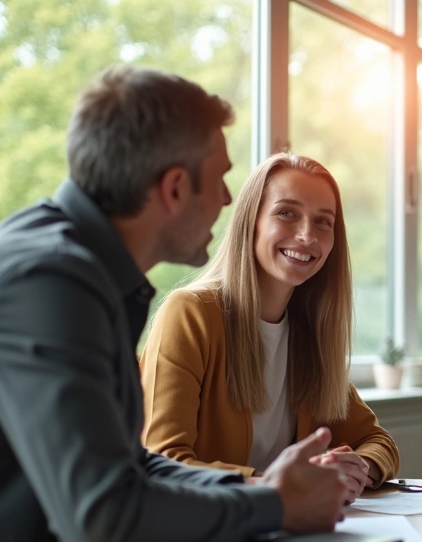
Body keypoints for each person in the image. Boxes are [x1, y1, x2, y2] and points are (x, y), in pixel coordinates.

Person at [0, 67, 353, 542]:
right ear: (173, 187)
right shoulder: (48, 280)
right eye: (219, 179)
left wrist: (259, 486)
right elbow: (104, 516)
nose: (225, 199)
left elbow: (131, 463)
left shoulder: (82, 272)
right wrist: (275, 504)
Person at [140, 152, 400, 503]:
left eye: (323, 222)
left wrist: (357, 468)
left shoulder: (310, 334)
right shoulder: (191, 314)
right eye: (286, 213)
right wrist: (277, 487)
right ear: (252, 220)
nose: (307, 235)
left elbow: (379, 443)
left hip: (288, 531)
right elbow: (162, 462)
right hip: (211, 535)